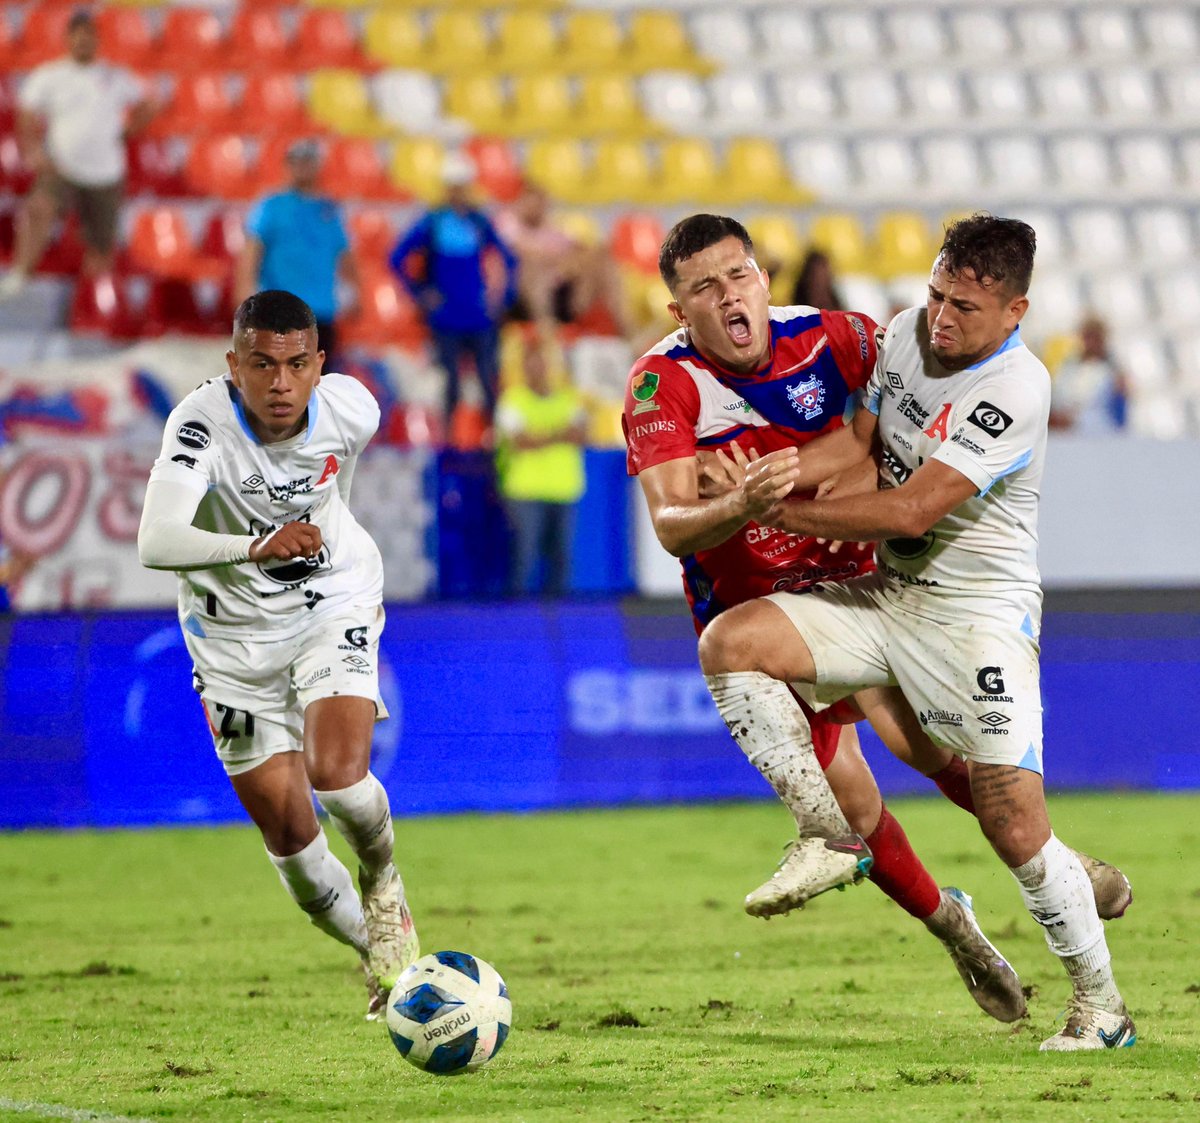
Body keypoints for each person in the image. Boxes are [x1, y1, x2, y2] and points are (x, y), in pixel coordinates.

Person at [625, 213, 1131, 1026]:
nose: (728, 297)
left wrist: (767, 501)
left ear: (763, 275)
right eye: (703, 287)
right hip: (813, 599)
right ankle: (947, 923)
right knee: (851, 797)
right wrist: (741, 502)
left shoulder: (855, 343)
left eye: (739, 275)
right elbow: (683, 518)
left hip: (920, 589)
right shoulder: (666, 382)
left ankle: (1066, 892)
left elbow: (900, 492)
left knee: (952, 769)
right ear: (679, 307)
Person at [137, 290, 417, 1020]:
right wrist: (255, 545)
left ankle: (384, 884)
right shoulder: (200, 424)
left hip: (329, 602)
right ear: (234, 364)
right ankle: (383, 956)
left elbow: (339, 485)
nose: (281, 383)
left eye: (297, 364)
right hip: (229, 643)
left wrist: (323, 547)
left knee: (339, 778)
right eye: (262, 364)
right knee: (291, 835)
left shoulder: (353, 407)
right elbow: (156, 540)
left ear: (320, 364)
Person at [0, 9, 155, 299]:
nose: (84, 41)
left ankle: (90, 301)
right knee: (38, 207)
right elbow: (26, 114)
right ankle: (21, 272)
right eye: (78, 35)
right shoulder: (50, 76)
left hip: (105, 172)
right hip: (62, 168)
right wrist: (33, 150)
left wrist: (130, 130)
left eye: (89, 36)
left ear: (97, 40)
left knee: (100, 245)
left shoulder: (115, 76)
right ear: (68, 38)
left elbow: (149, 101)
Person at [389, 152, 518, 428]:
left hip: (479, 318)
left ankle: (491, 442)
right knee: (451, 385)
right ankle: (448, 443)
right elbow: (397, 258)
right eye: (453, 187)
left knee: (488, 382)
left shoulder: (479, 221)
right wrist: (421, 294)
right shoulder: (433, 222)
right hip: (446, 318)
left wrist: (502, 299)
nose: (458, 193)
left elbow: (508, 258)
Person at [235, 139, 359, 371]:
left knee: (318, 381)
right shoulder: (271, 206)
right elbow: (252, 251)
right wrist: (244, 291)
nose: (303, 167)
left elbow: (344, 254)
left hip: (320, 312)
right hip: (280, 314)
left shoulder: (329, 210)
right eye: (297, 161)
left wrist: (356, 290)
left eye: (308, 161)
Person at [495, 336, 587, 597]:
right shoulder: (512, 400)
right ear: (524, 368)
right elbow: (520, 441)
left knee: (562, 557)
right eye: (533, 365)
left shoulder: (569, 398)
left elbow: (581, 434)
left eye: (543, 364)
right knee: (525, 555)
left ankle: (559, 623)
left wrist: (540, 435)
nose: (540, 370)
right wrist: (560, 434)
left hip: (563, 488)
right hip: (524, 490)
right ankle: (517, 619)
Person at [497, 179, 633, 341]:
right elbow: (522, 252)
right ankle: (546, 333)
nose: (538, 206)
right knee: (534, 266)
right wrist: (559, 260)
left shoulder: (550, 226)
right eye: (532, 200)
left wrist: (579, 259)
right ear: (521, 200)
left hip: (561, 287)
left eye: (542, 201)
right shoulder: (507, 223)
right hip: (522, 293)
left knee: (603, 261)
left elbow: (577, 249)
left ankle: (627, 334)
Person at [1048, 314, 1128, 433]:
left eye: (1095, 337)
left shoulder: (1112, 372)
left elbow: (1113, 417)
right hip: (1065, 431)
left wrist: (1075, 421)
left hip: (1098, 433)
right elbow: (1059, 397)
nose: (1091, 342)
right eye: (1087, 337)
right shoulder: (1069, 367)